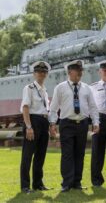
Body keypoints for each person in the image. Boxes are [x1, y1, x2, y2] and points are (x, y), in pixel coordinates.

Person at [49, 60, 99, 192]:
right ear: (69, 71)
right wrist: (53, 123)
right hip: (67, 124)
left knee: (79, 154)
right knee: (67, 154)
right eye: (78, 70)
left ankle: (77, 182)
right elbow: (53, 108)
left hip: (82, 123)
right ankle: (66, 183)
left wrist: (96, 122)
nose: (80, 73)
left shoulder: (87, 88)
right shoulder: (60, 87)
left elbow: (93, 107)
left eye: (81, 70)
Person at [20, 61, 51, 193]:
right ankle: (25, 186)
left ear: (46, 74)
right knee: (27, 155)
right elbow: (25, 108)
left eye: (44, 72)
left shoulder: (44, 90)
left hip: (44, 122)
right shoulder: (29, 88)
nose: (41, 74)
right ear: (34, 74)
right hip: (33, 121)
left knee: (40, 155)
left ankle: (38, 184)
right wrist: (28, 127)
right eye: (39, 72)